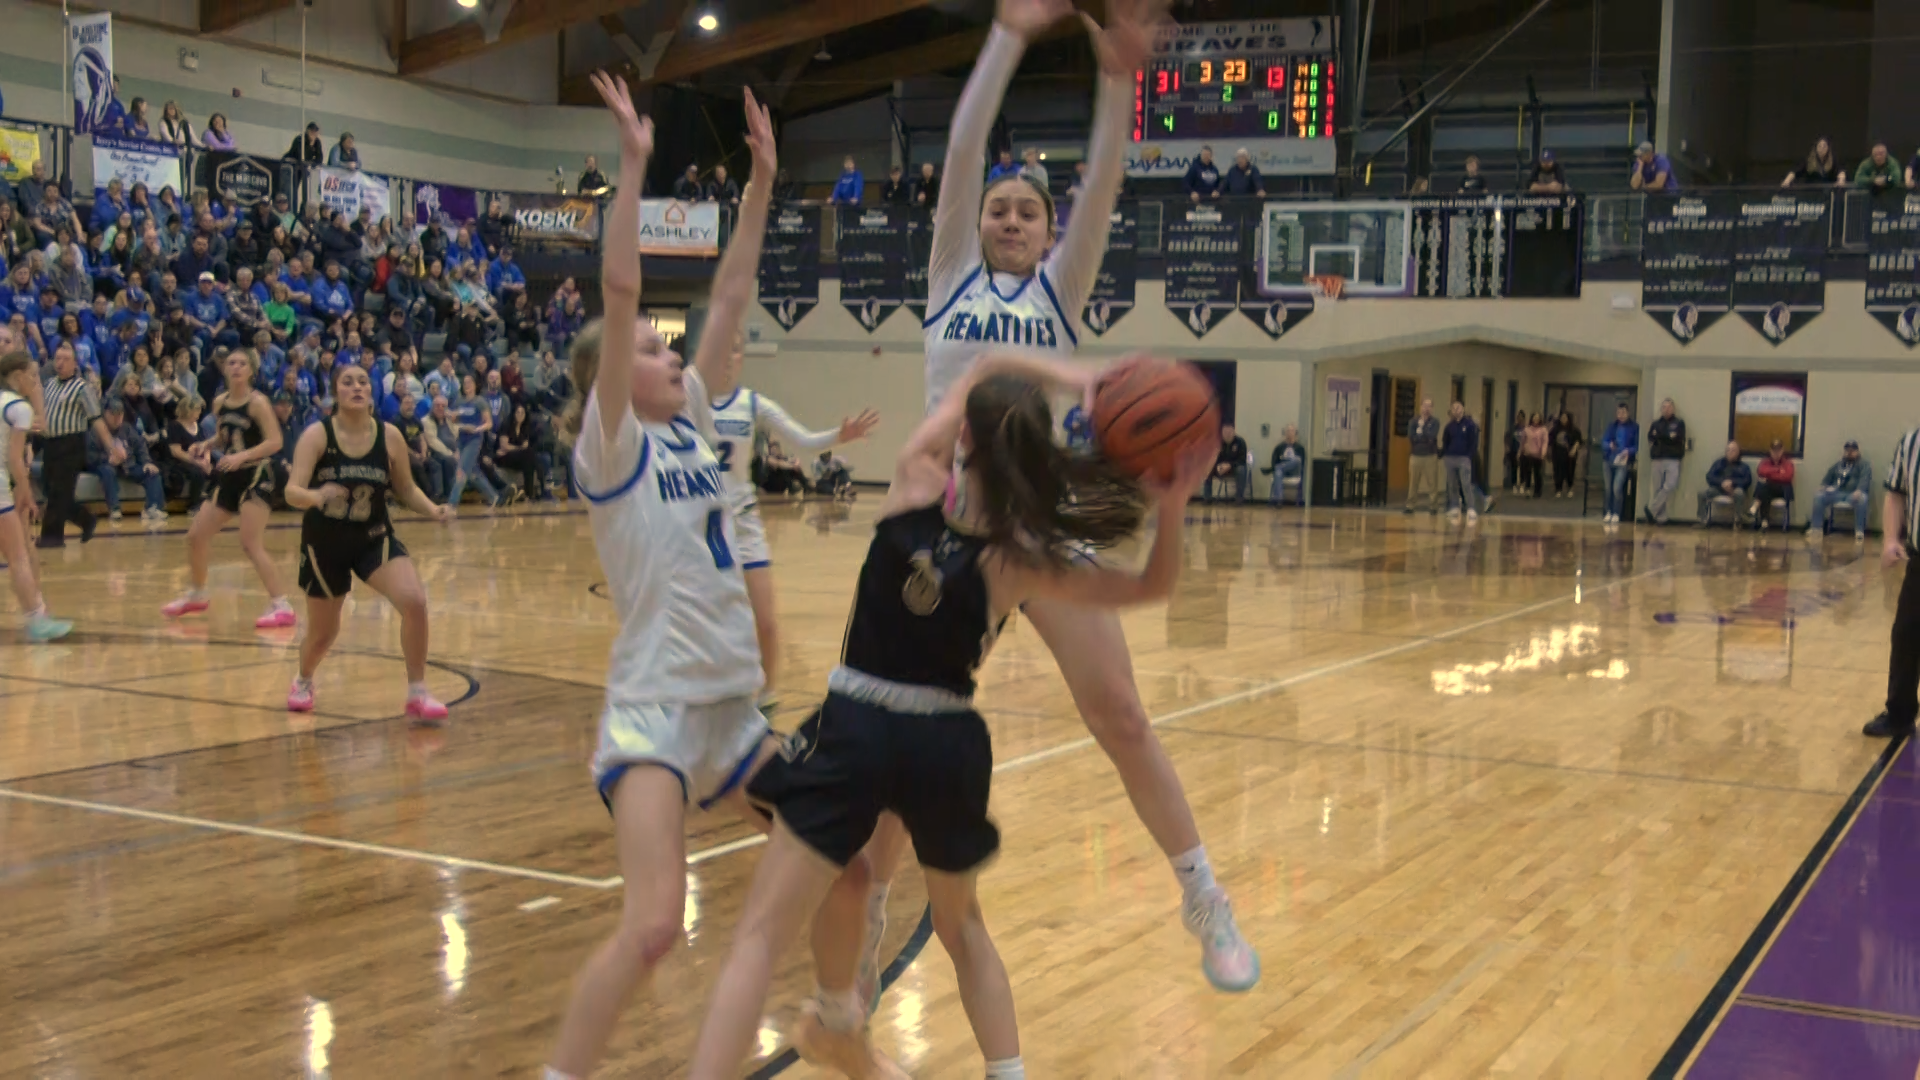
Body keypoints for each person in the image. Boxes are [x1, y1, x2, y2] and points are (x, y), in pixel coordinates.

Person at [686, 352, 1213, 1080]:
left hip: (856, 723)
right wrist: (1173, 506)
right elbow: (1154, 585)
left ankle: (838, 1009)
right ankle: (997, 1069)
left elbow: (983, 368)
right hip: (944, 743)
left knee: (767, 929)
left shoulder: (909, 480)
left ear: (960, 439)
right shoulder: (1019, 558)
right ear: (1034, 458)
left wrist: (1071, 374)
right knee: (961, 927)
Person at [885, 0, 1257, 1006]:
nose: (1008, 216)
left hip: (1032, 524)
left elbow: (1105, 183)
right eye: (998, 206)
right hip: (944, 529)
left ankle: (1205, 900)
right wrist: (1007, 35)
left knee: (1122, 713)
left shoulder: (1058, 294)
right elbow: (963, 144)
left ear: (1050, 235)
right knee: (897, 747)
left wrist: (1116, 79)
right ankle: (851, 929)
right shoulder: (948, 273)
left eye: (1027, 212)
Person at [540, 76, 872, 1080]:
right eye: (649, 349)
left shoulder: (690, 420)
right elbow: (622, 294)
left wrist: (764, 181)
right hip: (652, 716)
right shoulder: (611, 449)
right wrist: (634, 168)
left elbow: (727, 293)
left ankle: (833, 1017)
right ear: (612, 377)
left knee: (849, 865)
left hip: (731, 719)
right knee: (652, 928)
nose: (668, 350)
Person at [691, 112, 879, 700]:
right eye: (725, 348)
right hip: (694, 524)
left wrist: (839, 436)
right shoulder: (689, 397)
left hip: (742, 521)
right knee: (705, 630)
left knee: (767, 623)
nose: (730, 357)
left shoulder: (752, 403)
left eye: (739, 350)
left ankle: (764, 704)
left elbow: (802, 441)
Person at [284, 364, 454, 717]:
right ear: (336, 392)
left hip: (373, 536)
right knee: (323, 634)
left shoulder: (390, 436)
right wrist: (316, 497)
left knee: (415, 601)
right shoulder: (317, 435)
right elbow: (291, 491)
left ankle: (417, 692)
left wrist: (432, 509)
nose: (357, 387)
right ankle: (303, 678)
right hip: (325, 542)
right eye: (348, 382)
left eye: (363, 381)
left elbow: (405, 488)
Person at [160, 348, 297, 628]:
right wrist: (207, 444)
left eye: (242, 363)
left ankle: (282, 604)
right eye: (231, 362)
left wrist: (241, 457)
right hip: (231, 475)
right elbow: (225, 435)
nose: (236, 367)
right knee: (196, 535)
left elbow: (275, 442)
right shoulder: (220, 402)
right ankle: (197, 593)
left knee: (250, 543)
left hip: (258, 474)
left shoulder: (258, 403)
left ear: (251, 370)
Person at [0, 351, 73, 640]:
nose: (36, 381)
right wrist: (27, 492)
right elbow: (17, 460)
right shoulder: (19, 407)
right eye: (32, 376)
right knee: (18, 557)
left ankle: (38, 614)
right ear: (17, 377)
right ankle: (37, 621)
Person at [1864, 427, 1920, 738]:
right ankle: (1899, 714)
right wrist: (1888, 539)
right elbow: (1895, 493)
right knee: (1906, 635)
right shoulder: (1911, 443)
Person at [36, 342, 119, 548]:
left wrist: (111, 447)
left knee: (59, 492)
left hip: (71, 445)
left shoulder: (83, 388)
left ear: (75, 364)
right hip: (50, 443)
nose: (60, 363)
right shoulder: (49, 384)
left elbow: (97, 420)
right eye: (58, 359)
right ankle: (85, 519)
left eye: (65, 359)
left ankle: (51, 538)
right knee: (50, 489)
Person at [1805, 440, 1872, 541]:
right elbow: (1827, 479)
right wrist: (1823, 486)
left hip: (1852, 494)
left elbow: (1865, 479)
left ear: (1857, 451)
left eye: (1852, 450)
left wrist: (1859, 490)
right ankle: (1816, 528)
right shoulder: (1838, 465)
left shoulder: (1864, 465)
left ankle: (1859, 531)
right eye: (1847, 450)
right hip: (1837, 493)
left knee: (1863, 498)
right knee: (1819, 496)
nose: (1849, 453)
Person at [1644, 398, 1686, 525]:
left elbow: (1676, 439)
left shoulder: (1679, 423)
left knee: (1670, 485)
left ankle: (1651, 510)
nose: (1666, 409)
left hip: (1673, 459)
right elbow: (1651, 437)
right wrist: (1667, 436)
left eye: (1669, 407)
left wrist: (1661, 436)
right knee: (1657, 488)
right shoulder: (1656, 423)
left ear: (1673, 409)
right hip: (1657, 458)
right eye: (1664, 407)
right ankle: (1660, 518)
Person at [1694, 442, 1753, 526]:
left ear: (1738, 452)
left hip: (1735, 490)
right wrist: (1722, 483)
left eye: (1733, 450)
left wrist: (1733, 483)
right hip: (1719, 489)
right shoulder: (1719, 463)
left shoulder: (1744, 466)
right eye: (1728, 450)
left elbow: (1747, 481)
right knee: (1702, 493)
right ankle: (1702, 520)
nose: (1730, 452)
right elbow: (1709, 477)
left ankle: (1738, 520)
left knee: (1739, 493)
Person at [1600, 402, 1637, 524]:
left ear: (1628, 413)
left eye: (1623, 413)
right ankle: (1608, 512)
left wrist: (1628, 451)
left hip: (1623, 461)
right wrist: (1609, 445)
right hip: (1609, 459)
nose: (1620, 415)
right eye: (1618, 413)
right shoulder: (1612, 426)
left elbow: (1636, 446)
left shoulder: (1634, 427)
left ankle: (1616, 512)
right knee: (1608, 488)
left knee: (1617, 488)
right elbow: (1604, 441)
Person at [1441, 400, 1478, 525]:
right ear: (1451, 411)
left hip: (1464, 458)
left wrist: (1469, 455)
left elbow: (1473, 442)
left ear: (1463, 408)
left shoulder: (1469, 424)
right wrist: (1445, 454)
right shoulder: (1449, 426)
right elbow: (1445, 441)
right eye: (1454, 408)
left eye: (1458, 407)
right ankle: (1454, 506)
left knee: (1465, 483)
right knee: (1452, 484)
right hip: (1450, 457)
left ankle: (1471, 508)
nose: (1456, 410)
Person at [1404, 397, 1442, 514]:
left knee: (1432, 483)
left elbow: (1431, 436)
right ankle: (1410, 505)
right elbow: (1411, 437)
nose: (1427, 408)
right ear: (1420, 407)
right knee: (1413, 482)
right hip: (1415, 455)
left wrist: (1421, 431)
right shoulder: (1413, 421)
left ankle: (1433, 506)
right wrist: (1421, 434)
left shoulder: (1435, 422)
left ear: (1432, 408)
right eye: (1425, 405)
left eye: (1429, 406)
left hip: (1430, 455)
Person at [1750, 438, 1795, 529]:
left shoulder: (1788, 463)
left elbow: (1787, 477)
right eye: (1774, 450)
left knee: (1764, 483)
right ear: (1770, 451)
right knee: (1764, 488)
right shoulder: (1765, 462)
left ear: (1782, 451)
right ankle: (1764, 521)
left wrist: (1770, 475)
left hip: (1783, 490)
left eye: (1778, 450)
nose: (1776, 453)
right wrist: (1778, 471)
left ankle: (1756, 506)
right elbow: (1761, 472)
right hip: (1769, 488)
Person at [1208, 421, 1249, 503]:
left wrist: (1230, 465)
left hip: (1234, 468)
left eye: (1229, 431)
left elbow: (1242, 460)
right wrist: (1217, 466)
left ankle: (1239, 498)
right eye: (1225, 432)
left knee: (1242, 470)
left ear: (1233, 431)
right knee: (1207, 469)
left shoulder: (1240, 442)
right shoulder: (1218, 443)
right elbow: (1213, 457)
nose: (1227, 434)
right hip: (1220, 467)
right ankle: (1207, 498)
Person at [1265, 424, 1304, 504]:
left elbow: (1302, 463)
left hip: (1294, 470)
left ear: (1295, 433)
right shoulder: (1279, 447)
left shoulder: (1300, 448)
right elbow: (1274, 461)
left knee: (1296, 460)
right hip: (1282, 472)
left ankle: (1280, 467)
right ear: (1285, 433)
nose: (1289, 433)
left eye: (1292, 431)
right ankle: (1279, 499)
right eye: (1288, 431)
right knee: (1278, 471)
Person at [1550, 408, 1582, 498]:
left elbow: (1578, 441)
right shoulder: (1555, 429)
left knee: (1569, 472)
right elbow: (1551, 441)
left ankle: (1570, 488)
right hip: (1557, 454)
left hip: (1570, 455)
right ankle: (1558, 489)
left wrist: (1574, 450)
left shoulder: (1574, 430)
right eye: (1562, 418)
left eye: (1565, 418)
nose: (1563, 419)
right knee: (1557, 472)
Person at [1519, 413, 1549, 497]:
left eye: (1537, 418)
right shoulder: (1527, 429)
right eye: (1534, 418)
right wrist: (1521, 451)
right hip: (1528, 453)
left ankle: (1537, 491)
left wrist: (1543, 452)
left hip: (1538, 454)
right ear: (1531, 419)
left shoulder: (1543, 430)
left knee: (1537, 473)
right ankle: (1527, 489)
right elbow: (1523, 441)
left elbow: (1545, 442)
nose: (1536, 420)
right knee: (1527, 472)